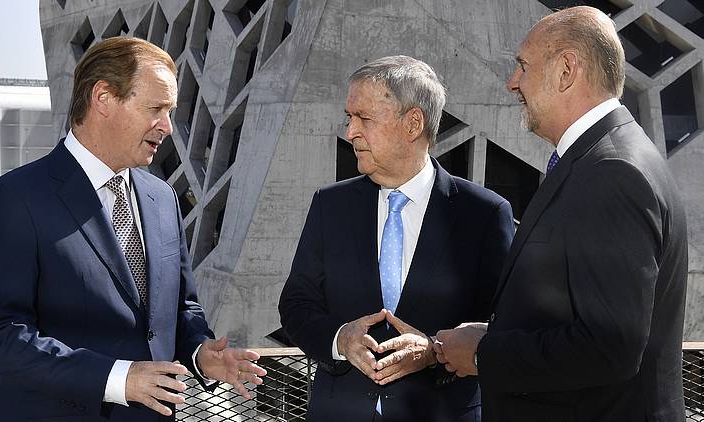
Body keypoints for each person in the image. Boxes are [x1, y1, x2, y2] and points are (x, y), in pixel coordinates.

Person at [0, 37, 267, 422]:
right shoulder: (11, 200)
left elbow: (180, 307)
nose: (168, 127)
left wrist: (200, 352)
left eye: (171, 111)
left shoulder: (163, 198)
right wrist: (117, 378)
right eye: (157, 109)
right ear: (103, 98)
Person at [433, 6, 688, 422]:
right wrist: (494, 336)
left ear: (566, 70)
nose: (512, 82)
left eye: (523, 66)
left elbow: (609, 347)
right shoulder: (605, 157)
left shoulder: (612, 173)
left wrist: (483, 354)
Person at [278, 55, 515, 422]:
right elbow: (296, 304)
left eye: (364, 118)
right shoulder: (331, 205)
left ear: (413, 123)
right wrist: (340, 338)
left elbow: (506, 326)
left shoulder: (484, 215)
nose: (350, 131)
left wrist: (434, 349)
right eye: (349, 117)